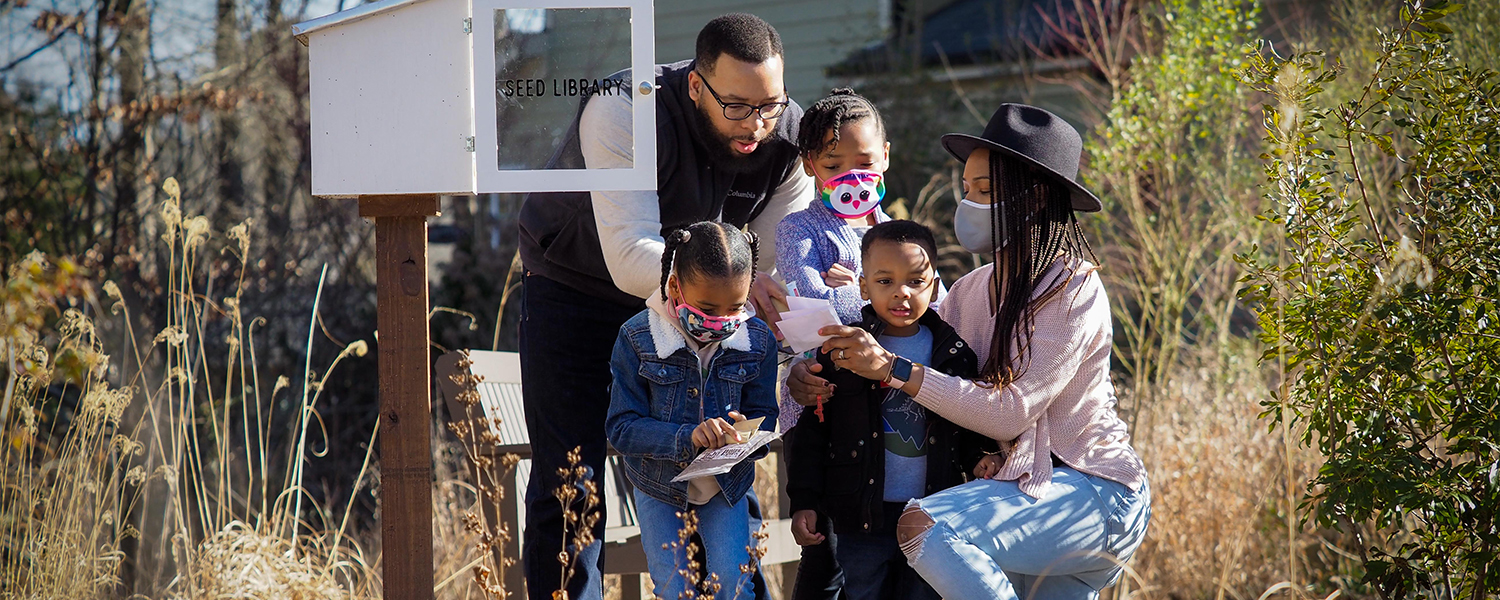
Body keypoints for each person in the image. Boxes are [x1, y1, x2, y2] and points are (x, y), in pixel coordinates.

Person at [786, 104, 1152, 599]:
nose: (968, 204)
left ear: (1036, 198)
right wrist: (805, 376)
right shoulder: (966, 292)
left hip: (1092, 494)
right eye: (966, 191)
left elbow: (1006, 413)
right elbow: (906, 346)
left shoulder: (1074, 288)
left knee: (927, 526)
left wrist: (891, 368)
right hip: (1017, 496)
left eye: (985, 192)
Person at [516, 13, 810, 599]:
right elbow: (628, 256)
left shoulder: (786, 136)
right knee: (570, 476)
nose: (757, 124)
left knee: (723, 454)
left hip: (701, 310)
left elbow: (781, 258)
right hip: (576, 290)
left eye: (770, 105)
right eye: (738, 106)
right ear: (697, 85)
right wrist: (735, 282)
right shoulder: (623, 105)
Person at [786, 220, 995, 600]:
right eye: (885, 282)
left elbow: (965, 423)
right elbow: (813, 434)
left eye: (916, 281)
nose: (901, 293)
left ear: (934, 284)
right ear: (863, 286)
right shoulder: (843, 349)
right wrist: (804, 501)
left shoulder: (954, 354)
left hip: (931, 517)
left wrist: (979, 457)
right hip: (861, 519)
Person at [605, 222, 780, 600]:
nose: (721, 320)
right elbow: (621, 428)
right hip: (659, 485)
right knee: (673, 587)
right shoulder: (638, 337)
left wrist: (743, 433)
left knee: (734, 585)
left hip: (725, 485)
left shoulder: (758, 340)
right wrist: (686, 436)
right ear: (673, 287)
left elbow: (764, 412)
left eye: (735, 307)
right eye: (706, 308)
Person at [776, 88, 894, 324]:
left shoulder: (902, 232)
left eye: (865, 163)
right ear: (809, 165)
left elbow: (935, 304)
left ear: (885, 156)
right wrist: (888, 295)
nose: (852, 178)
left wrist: (860, 290)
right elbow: (813, 307)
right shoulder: (796, 230)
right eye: (832, 167)